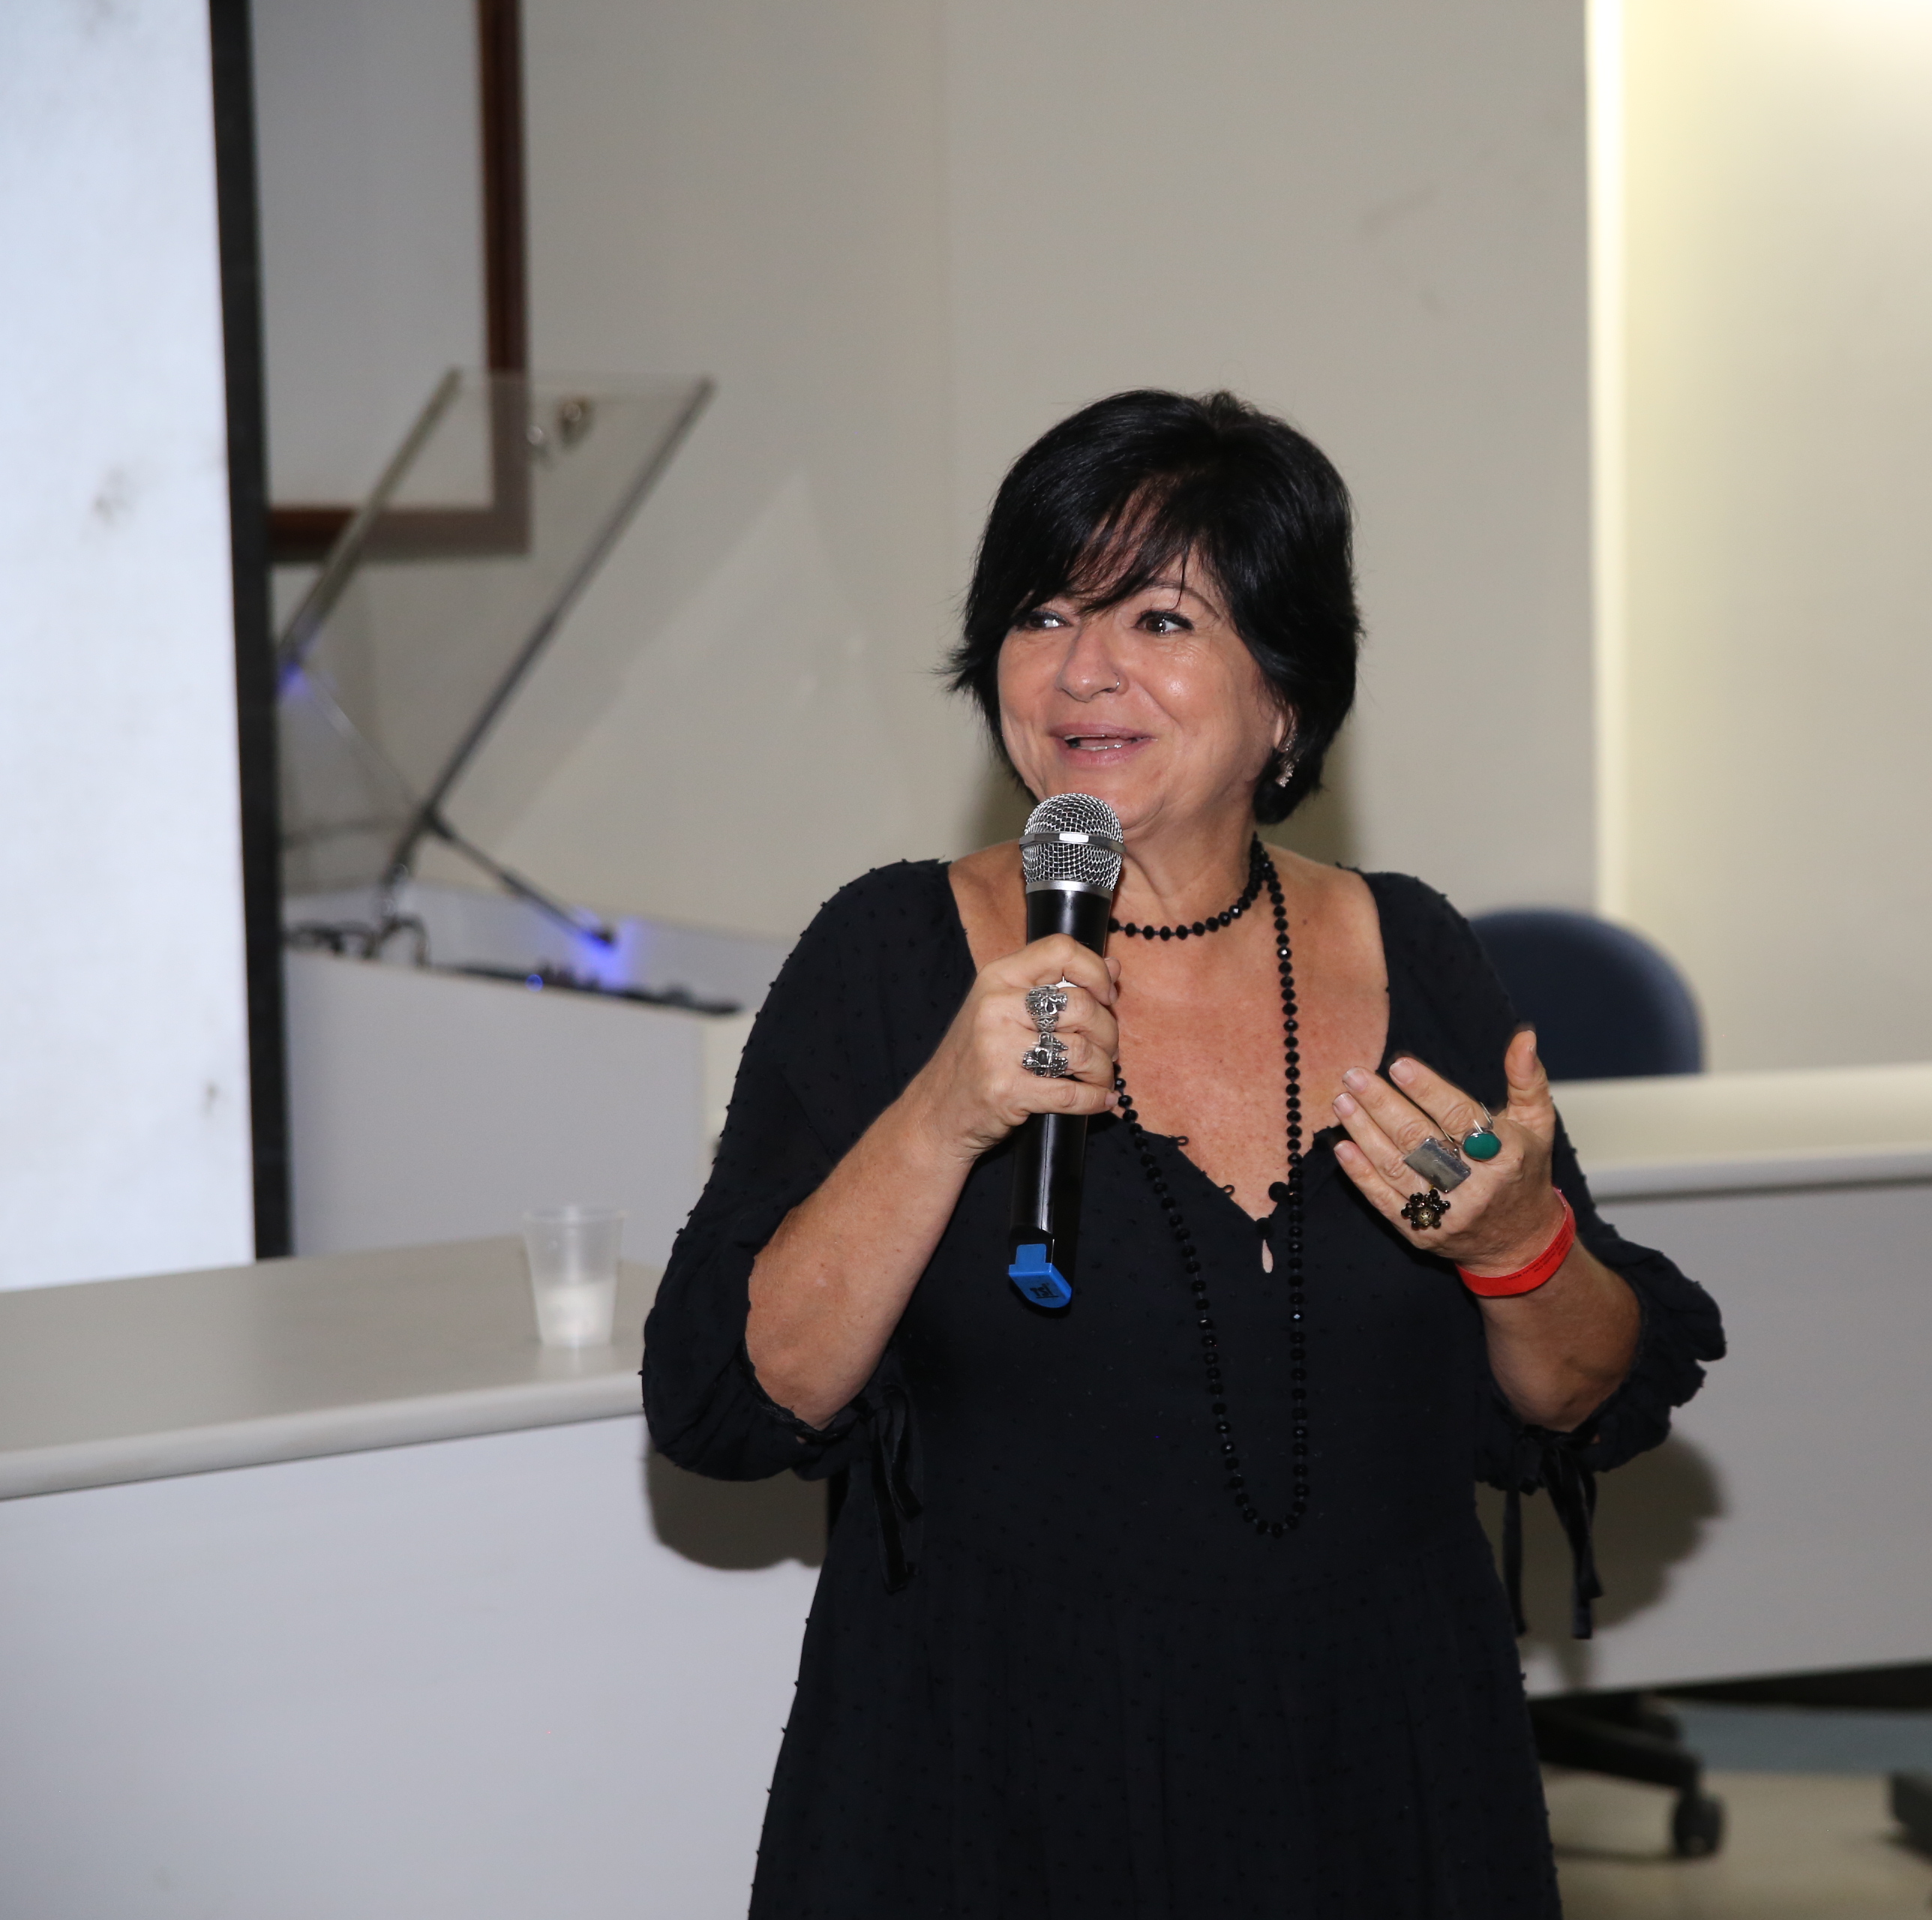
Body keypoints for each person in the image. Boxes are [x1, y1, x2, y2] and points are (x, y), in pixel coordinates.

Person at [644, 389, 1725, 1920]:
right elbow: (736, 1398)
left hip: (1384, 1767)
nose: (1081, 667)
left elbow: (1579, 1389)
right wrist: (944, 1112)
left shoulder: (1414, 949)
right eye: (1041, 614)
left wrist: (1519, 1246)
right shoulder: (889, 956)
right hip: (1001, 1776)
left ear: (1286, 693)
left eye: (1157, 617)